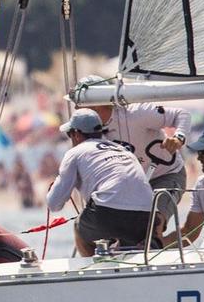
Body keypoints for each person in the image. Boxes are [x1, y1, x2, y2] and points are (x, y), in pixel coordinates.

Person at [77, 74, 191, 222]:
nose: (76, 108)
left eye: (80, 104)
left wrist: (178, 138)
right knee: (104, 227)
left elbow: (182, 114)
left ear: (96, 103)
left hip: (166, 175)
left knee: (153, 223)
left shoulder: (136, 113)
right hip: (131, 185)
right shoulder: (86, 130)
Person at [46, 109, 156, 256]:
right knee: (123, 241)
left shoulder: (75, 152)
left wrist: (54, 191)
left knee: (80, 227)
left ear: (77, 134)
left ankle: (93, 272)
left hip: (107, 213)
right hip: (148, 214)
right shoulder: (123, 150)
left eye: (69, 134)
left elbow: (54, 204)